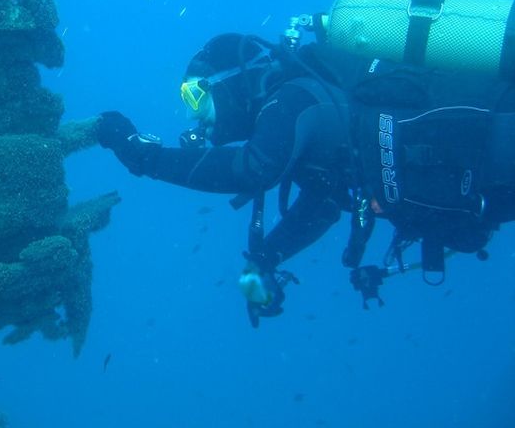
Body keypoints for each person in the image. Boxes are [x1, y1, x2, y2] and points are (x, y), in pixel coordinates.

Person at [96, 31, 515, 326]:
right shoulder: (297, 122)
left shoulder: (294, 97)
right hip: (482, 180)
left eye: (194, 96)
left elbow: (254, 168)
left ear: (227, 82)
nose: (193, 114)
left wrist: (143, 157)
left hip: (495, 135)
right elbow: (323, 204)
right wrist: (265, 259)